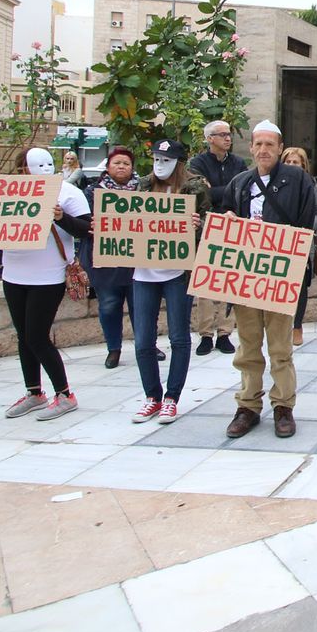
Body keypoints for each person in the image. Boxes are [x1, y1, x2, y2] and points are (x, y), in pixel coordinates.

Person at [222, 120, 317, 440]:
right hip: (247, 278)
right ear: (251, 148)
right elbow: (227, 220)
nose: (263, 150)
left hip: (280, 277)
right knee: (248, 347)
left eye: (270, 144)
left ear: (280, 148)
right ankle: (248, 405)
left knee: (280, 348)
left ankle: (283, 406)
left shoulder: (298, 181)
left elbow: (308, 224)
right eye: (258, 144)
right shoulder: (239, 183)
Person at [1, 147, 92, 421]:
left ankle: (64, 394)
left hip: (47, 275)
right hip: (13, 273)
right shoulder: (6, 191)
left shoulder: (68, 192)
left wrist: (61, 217)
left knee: (37, 337)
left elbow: (87, 229)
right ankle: (34, 392)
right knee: (23, 336)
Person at [129, 139, 209, 426]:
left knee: (178, 337)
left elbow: (208, 224)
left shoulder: (195, 188)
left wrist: (198, 227)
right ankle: (152, 396)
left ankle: (172, 398)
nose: (159, 165)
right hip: (144, 273)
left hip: (177, 273)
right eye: (156, 159)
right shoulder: (142, 186)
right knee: (143, 340)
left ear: (179, 163)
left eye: (166, 160)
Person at [81, 146, 140, 369]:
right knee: (108, 305)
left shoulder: (143, 191)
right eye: (117, 163)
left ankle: (146, 345)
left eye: (126, 163)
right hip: (106, 263)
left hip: (135, 261)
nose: (122, 167)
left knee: (141, 307)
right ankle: (113, 349)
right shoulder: (92, 192)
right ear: (108, 167)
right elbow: (81, 221)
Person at [189, 119, 245, 356]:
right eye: (222, 135)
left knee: (229, 280)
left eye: (229, 134)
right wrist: (228, 190)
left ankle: (224, 333)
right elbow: (203, 193)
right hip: (206, 225)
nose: (228, 138)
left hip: (232, 225)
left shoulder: (239, 162)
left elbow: (242, 189)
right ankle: (205, 334)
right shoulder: (198, 163)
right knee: (205, 283)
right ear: (210, 139)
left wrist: (221, 191)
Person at [280, 145, 317, 347]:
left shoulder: (310, 184)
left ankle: (297, 326)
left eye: (295, 162)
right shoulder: (275, 184)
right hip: (278, 242)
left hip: (301, 243)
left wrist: (306, 227)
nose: (291, 166)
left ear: (303, 165)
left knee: (299, 288)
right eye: (288, 162)